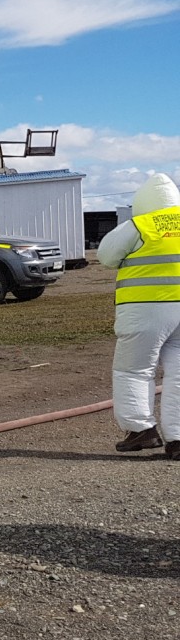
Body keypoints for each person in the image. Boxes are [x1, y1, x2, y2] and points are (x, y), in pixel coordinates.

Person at [99, 172, 180, 459]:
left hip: (146, 309)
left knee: (134, 369)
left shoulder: (139, 225)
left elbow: (106, 256)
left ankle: (141, 429)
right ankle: (178, 439)